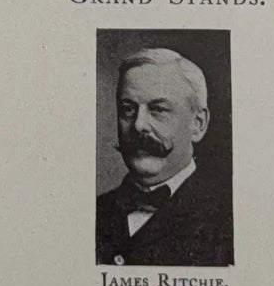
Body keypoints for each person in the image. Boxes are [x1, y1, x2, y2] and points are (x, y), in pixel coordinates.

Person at [94, 47, 234, 265]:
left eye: (158, 109)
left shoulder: (229, 217)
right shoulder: (96, 210)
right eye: (128, 109)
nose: (138, 125)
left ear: (198, 124)